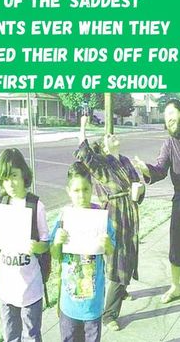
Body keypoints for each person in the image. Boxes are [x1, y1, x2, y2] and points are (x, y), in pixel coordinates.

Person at [74, 116, 145, 331]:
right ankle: (109, 314)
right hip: (115, 215)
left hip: (130, 211)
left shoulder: (125, 161)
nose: (112, 135)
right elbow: (84, 154)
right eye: (107, 136)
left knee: (130, 253)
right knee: (117, 260)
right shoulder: (103, 165)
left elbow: (138, 184)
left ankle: (121, 289)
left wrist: (139, 191)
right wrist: (83, 126)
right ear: (104, 147)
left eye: (113, 133)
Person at [0, 148, 49, 342]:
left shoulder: (36, 205)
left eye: (13, 176)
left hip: (31, 289)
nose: (9, 183)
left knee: (31, 335)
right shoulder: (0, 204)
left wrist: (36, 247)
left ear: (23, 174)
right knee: (10, 335)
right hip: (6, 289)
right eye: (4, 178)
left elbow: (45, 244)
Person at [50, 161, 115, 342]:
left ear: (92, 188)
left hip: (93, 303)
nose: (81, 195)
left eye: (85, 189)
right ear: (68, 191)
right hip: (68, 302)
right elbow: (55, 254)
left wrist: (108, 244)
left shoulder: (100, 218)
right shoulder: (64, 217)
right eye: (76, 190)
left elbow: (111, 251)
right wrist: (57, 242)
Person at [134, 98, 180, 304]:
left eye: (172, 113)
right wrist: (147, 170)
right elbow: (160, 169)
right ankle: (177, 286)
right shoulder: (169, 144)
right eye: (166, 117)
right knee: (176, 247)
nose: (169, 119)